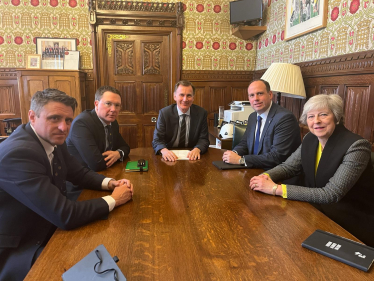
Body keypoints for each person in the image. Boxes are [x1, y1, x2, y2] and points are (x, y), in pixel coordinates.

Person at [0, 89, 134, 281]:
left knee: (111, 255)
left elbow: (78, 173)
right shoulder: (19, 153)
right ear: (32, 116)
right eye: (54, 118)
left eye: (68, 120)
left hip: (48, 226)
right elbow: (64, 214)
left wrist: (111, 183)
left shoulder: (51, 138)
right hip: (21, 246)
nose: (64, 127)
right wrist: (114, 199)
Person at [250, 94, 374, 246]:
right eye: (311, 116)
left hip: (348, 223)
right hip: (315, 211)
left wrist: (276, 188)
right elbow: (289, 166)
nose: (316, 121)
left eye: (323, 114)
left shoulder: (357, 146)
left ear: (336, 117)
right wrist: (264, 177)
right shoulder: (311, 138)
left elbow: (331, 194)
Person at [222, 79, 301, 170]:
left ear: (270, 95)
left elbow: (277, 156)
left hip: (276, 174)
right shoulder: (253, 117)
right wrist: (234, 153)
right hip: (254, 170)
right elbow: (244, 143)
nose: (256, 98)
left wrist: (241, 160)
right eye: (252, 95)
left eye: (260, 93)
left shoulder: (284, 118)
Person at [66, 86, 130, 171]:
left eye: (117, 105)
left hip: (104, 173)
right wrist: (115, 156)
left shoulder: (113, 122)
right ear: (96, 104)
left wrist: (118, 153)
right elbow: (96, 164)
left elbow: (125, 147)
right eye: (108, 104)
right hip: (81, 180)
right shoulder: (81, 124)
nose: (113, 109)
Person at [152, 80, 209, 161]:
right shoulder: (165, 113)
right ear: (175, 96)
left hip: (191, 157)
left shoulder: (201, 113)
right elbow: (157, 139)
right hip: (169, 155)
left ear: (193, 98)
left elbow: (204, 139)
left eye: (189, 95)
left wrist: (197, 149)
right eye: (181, 95)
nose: (185, 99)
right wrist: (164, 151)